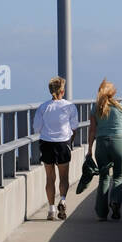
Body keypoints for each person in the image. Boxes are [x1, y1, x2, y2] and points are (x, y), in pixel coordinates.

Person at [87, 79, 122, 221]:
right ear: (113, 93)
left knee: (103, 178)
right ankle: (115, 201)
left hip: (101, 144)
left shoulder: (95, 108)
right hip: (118, 143)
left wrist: (90, 148)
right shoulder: (121, 107)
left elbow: (92, 131)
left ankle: (102, 213)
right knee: (118, 176)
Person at [33, 76, 79, 221]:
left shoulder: (43, 107)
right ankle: (63, 200)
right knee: (63, 177)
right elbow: (74, 127)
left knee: (50, 177)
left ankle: (51, 210)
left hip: (46, 143)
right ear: (62, 91)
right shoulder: (69, 107)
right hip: (63, 143)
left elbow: (36, 128)